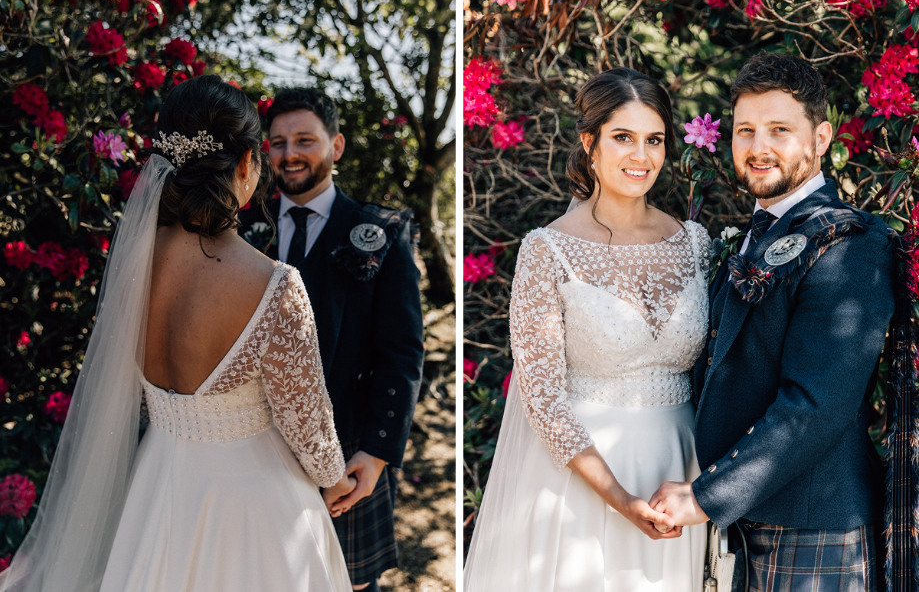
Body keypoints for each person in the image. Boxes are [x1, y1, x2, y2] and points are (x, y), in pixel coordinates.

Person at [0, 75, 354, 592]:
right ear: (244, 166)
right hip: (252, 508)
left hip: (158, 484)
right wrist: (338, 478)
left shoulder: (133, 264)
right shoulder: (274, 285)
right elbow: (312, 435)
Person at [650, 53, 895, 591]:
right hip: (747, 521)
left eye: (779, 129)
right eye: (745, 131)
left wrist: (706, 496)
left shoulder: (850, 243)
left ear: (822, 137)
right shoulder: (751, 236)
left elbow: (817, 403)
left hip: (815, 524)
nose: (759, 148)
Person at [463, 67, 709, 591]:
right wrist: (619, 498)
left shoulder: (695, 243)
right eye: (623, 137)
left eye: (654, 140)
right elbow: (543, 398)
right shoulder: (546, 250)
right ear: (589, 141)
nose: (640, 156)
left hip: (678, 473)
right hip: (583, 481)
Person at [238, 87, 424, 591]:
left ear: (336, 146)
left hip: (348, 450)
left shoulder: (379, 229)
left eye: (304, 140)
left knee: (347, 582)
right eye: (277, 143)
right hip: (252, 448)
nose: (290, 153)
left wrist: (378, 451)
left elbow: (402, 351)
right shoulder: (239, 230)